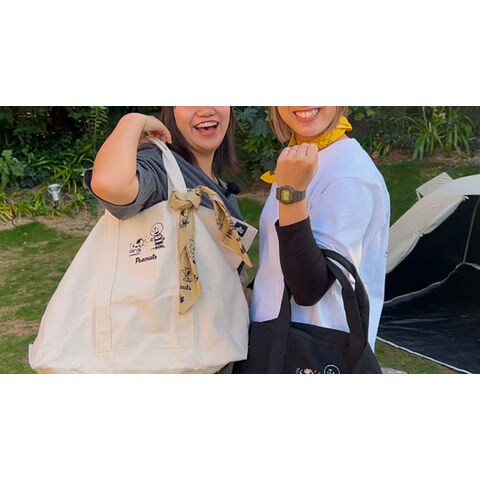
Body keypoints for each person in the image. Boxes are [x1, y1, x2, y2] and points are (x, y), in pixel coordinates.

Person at [85, 107, 247, 373]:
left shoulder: (219, 186)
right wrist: (133, 121)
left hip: (216, 350)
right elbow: (109, 184)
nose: (206, 109)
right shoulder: (160, 166)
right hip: (165, 358)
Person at [249, 106, 390, 353]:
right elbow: (280, 253)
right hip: (273, 339)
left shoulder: (351, 176)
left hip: (315, 352)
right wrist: (252, 292)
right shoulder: (301, 158)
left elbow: (309, 288)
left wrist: (291, 193)